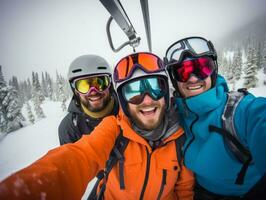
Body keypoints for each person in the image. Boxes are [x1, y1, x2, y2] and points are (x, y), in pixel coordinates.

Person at [0, 52, 194, 200]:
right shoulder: (113, 127)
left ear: (165, 92)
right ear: (123, 101)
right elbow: (78, 157)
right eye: (133, 92)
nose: (146, 99)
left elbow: (184, 190)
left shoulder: (181, 134)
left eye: (154, 87)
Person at [165, 36, 266, 199]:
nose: (192, 78)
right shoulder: (174, 113)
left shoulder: (239, 111)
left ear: (213, 71)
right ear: (174, 80)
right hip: (195, 193)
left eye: (202, 68)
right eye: (182, 72)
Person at [58, 54, 119, 145]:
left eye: (100, 83)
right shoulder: (69, 127)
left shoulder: (127, 111)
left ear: (110, 84)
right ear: (75, 90)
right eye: (83, 86)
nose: (93, 91)